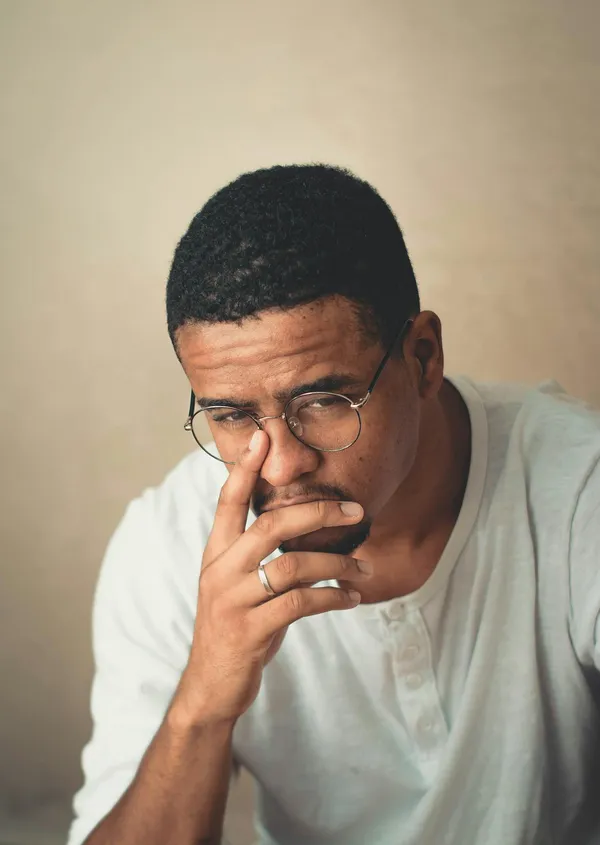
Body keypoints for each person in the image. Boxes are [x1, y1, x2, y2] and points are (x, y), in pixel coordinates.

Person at [67, 164, 600, 845]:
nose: (282, 463)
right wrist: (201, 705)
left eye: (324, 401)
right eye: (230, 415)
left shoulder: (577, 487)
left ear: (423, 358)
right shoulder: (167, 545)